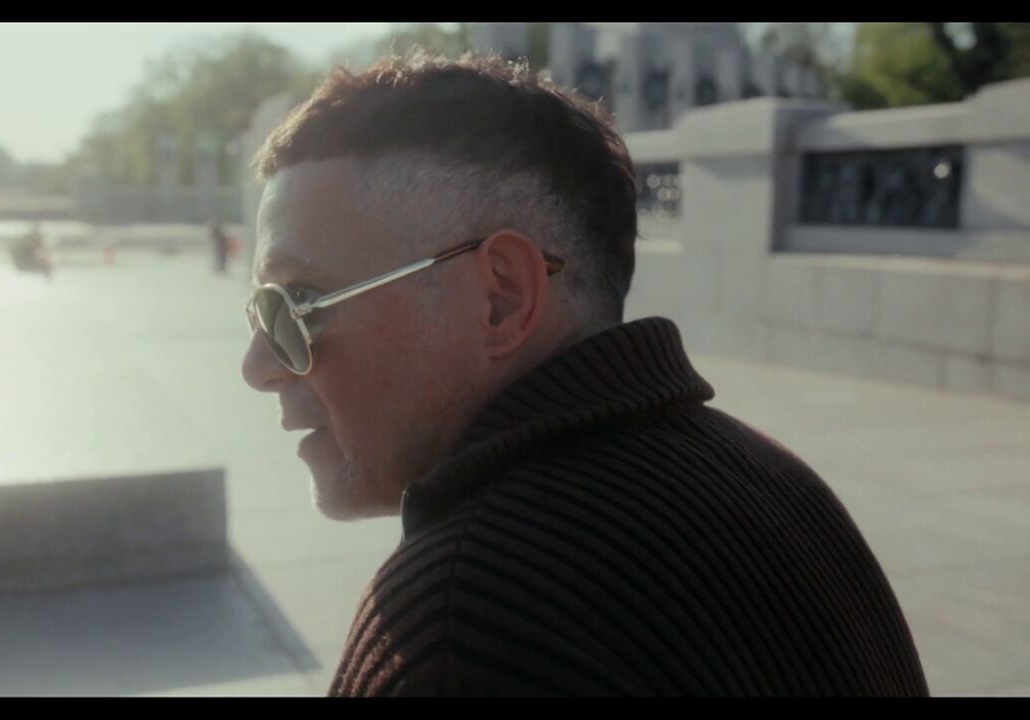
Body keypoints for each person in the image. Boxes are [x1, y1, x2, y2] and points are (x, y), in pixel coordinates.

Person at [240, 52, 930, 697]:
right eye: (261, 310)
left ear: (501, 296)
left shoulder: (461, 620)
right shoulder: (770, 478)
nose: (258, 367)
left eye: (298, 304)